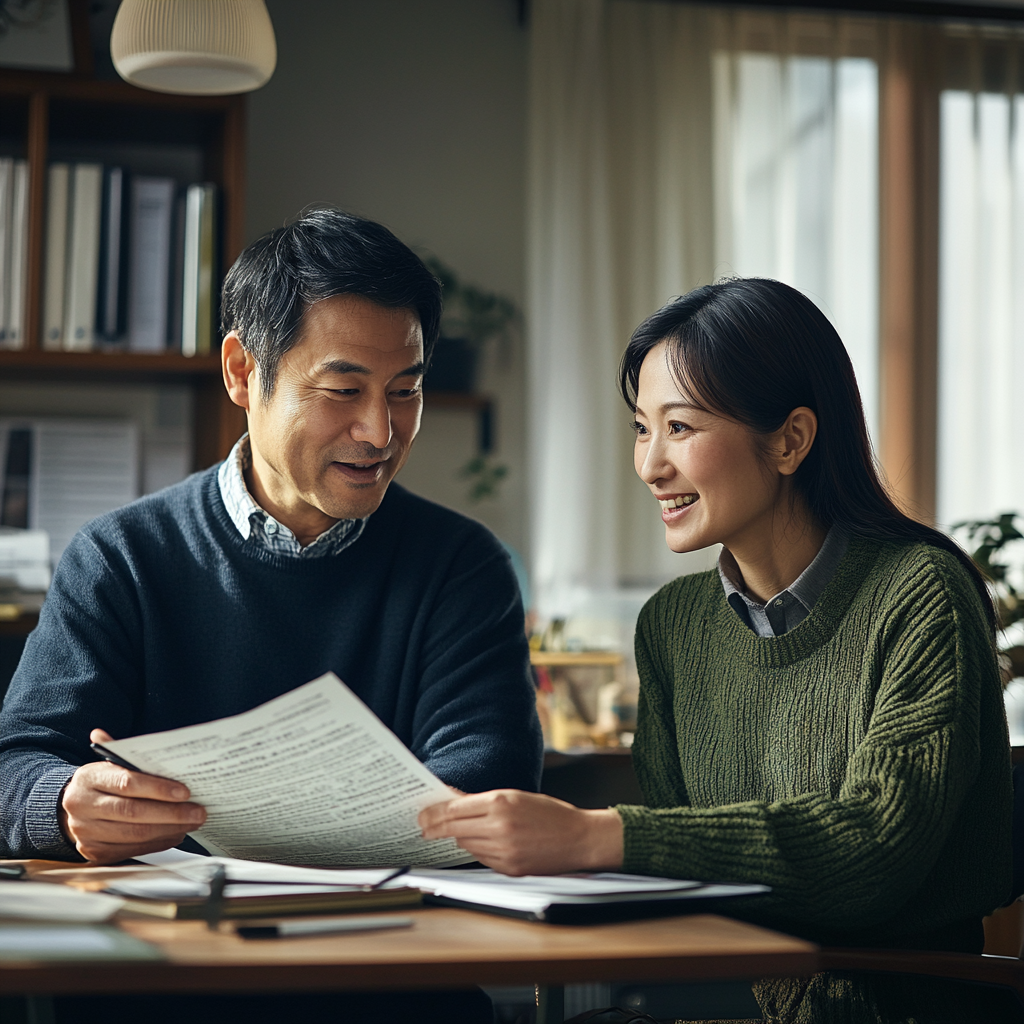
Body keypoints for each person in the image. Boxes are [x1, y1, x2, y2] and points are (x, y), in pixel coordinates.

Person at [421, 278, 1015, 1022]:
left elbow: (876, 851)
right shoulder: (673, 626)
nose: (649, 465)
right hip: (724, 997)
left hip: (897, 1004)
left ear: (791, 439)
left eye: (681, 428)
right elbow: (688, 880)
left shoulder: (920, 593)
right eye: (642, 428)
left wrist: (595, 835)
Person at [0, 207, 541, 1023]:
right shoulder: (121, 557)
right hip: (160, 989)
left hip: (389, 986)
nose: (381, 431)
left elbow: (490, 784)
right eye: (343, 390)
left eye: (406, 391)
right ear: (242, 371)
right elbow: (16, 764)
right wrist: (66, 800)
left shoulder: (462, 569)